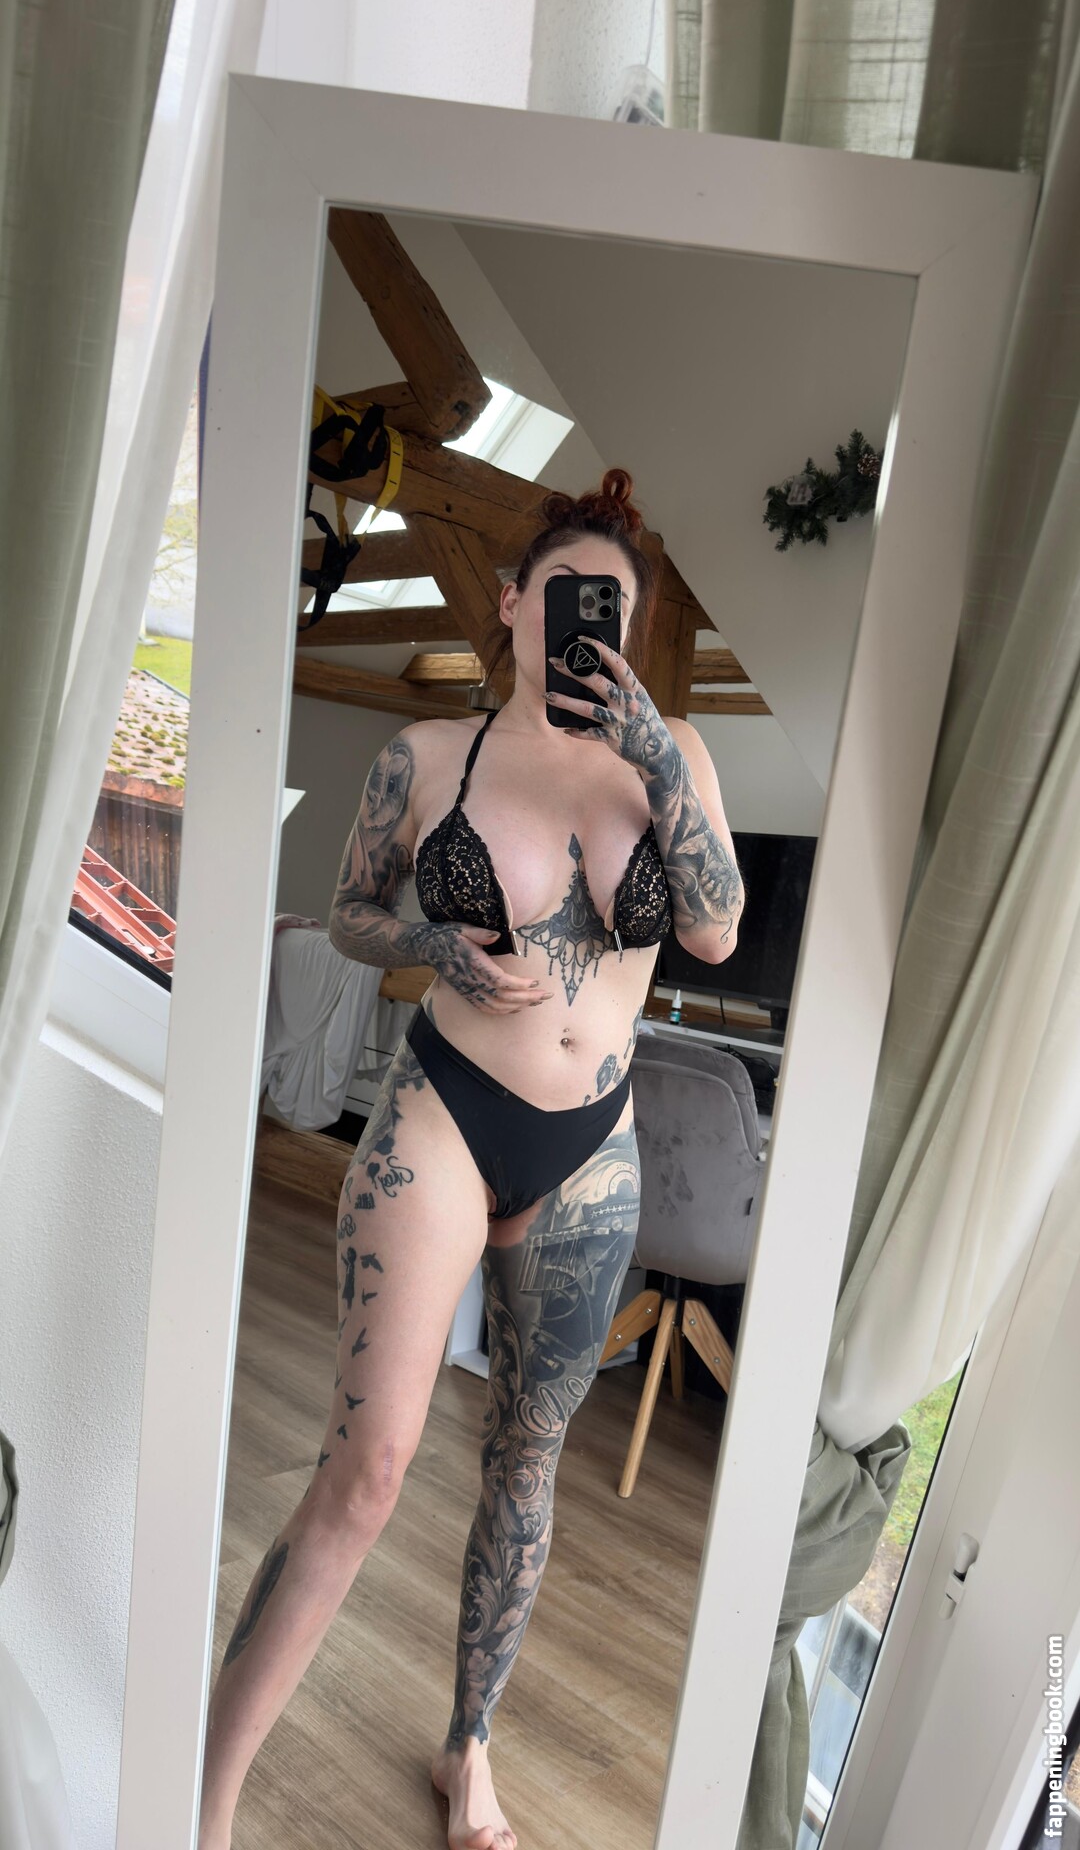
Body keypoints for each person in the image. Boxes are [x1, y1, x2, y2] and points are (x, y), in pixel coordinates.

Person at [197, 469, 745, 1850]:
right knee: (370, 1466)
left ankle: (469, 1749)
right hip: (444, 1113)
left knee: (526, 1464)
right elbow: (347, 912)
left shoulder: (674, 751)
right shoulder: (428, 753)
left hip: (592, 1150)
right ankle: (202, 1793)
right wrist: (431, 942)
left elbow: (717, 930)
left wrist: (658, 758)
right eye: (564, 597)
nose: (586, 622)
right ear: (511, 605)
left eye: (612, 606)